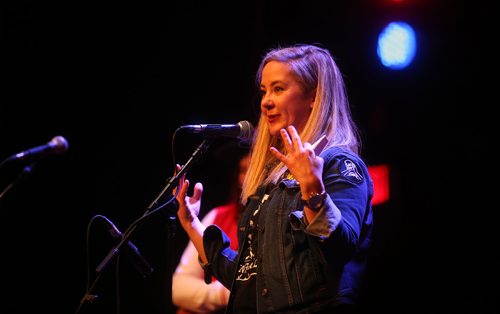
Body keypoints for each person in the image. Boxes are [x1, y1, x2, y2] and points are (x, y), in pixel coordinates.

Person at [174, 43, 374, 313]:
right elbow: (246, 277)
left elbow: (340, 249)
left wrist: (313, 190)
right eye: (264, 91)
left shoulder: (339, 164)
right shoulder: (271, 182)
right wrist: (191, 223)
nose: (265, 101)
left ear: (314, 96)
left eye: (278, 89)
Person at [172, 141, 251, 313]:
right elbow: (179, 288)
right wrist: (225, 294)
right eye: (244, 170)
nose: (249, 179)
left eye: (256, 170)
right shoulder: (219, 216)